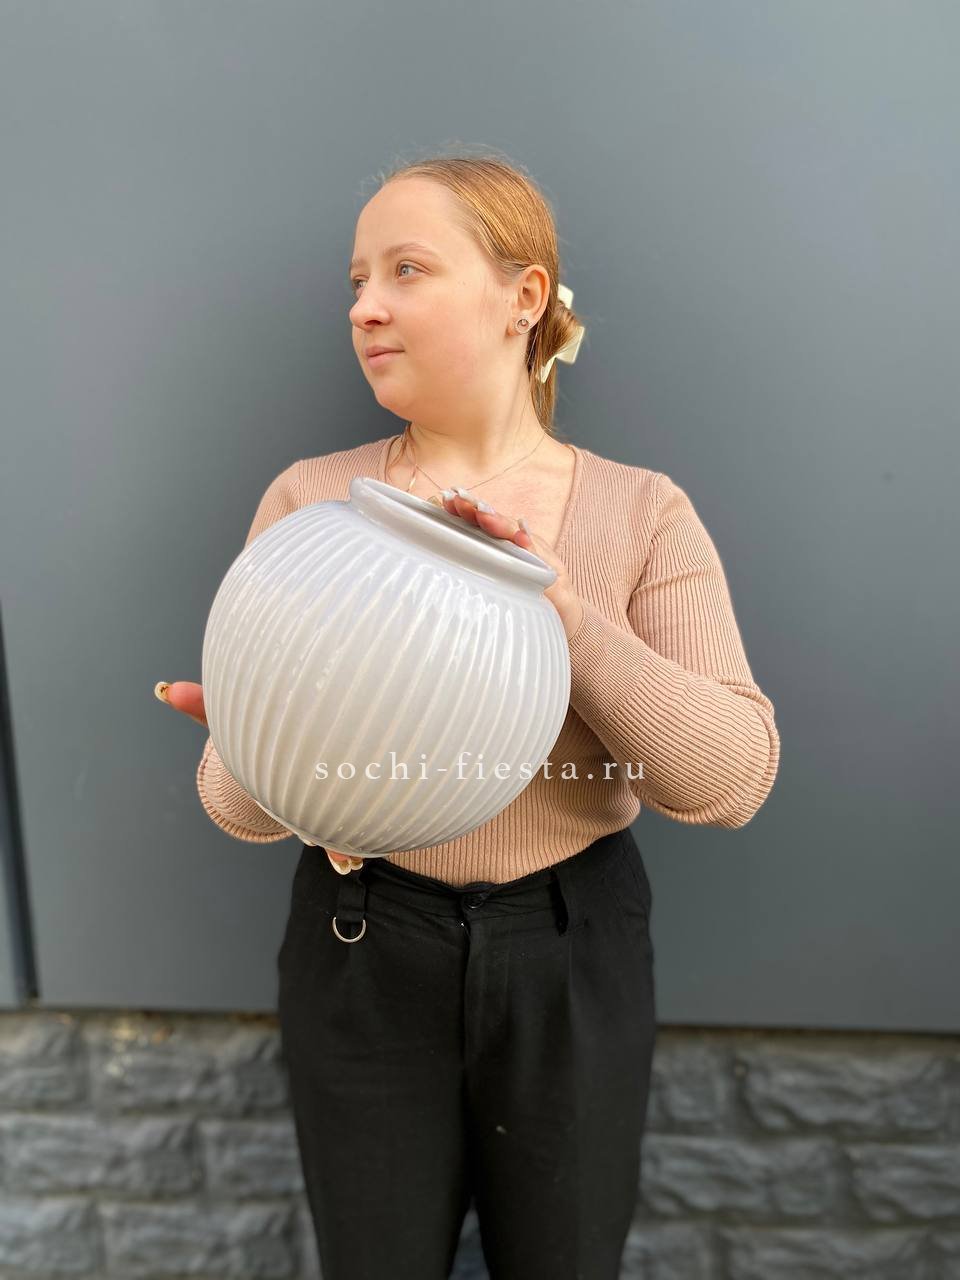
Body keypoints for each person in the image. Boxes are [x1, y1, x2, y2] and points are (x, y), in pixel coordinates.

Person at [155, 151, 780, 1279]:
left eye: (406, 269)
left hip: (570, 945)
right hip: (360, 937)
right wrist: (257, 738)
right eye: (357, 281)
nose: (365, 306)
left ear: (523, 297)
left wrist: (562, 610)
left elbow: (730, 781)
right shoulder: (313, 503)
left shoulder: (642, 512)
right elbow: (236, 808)